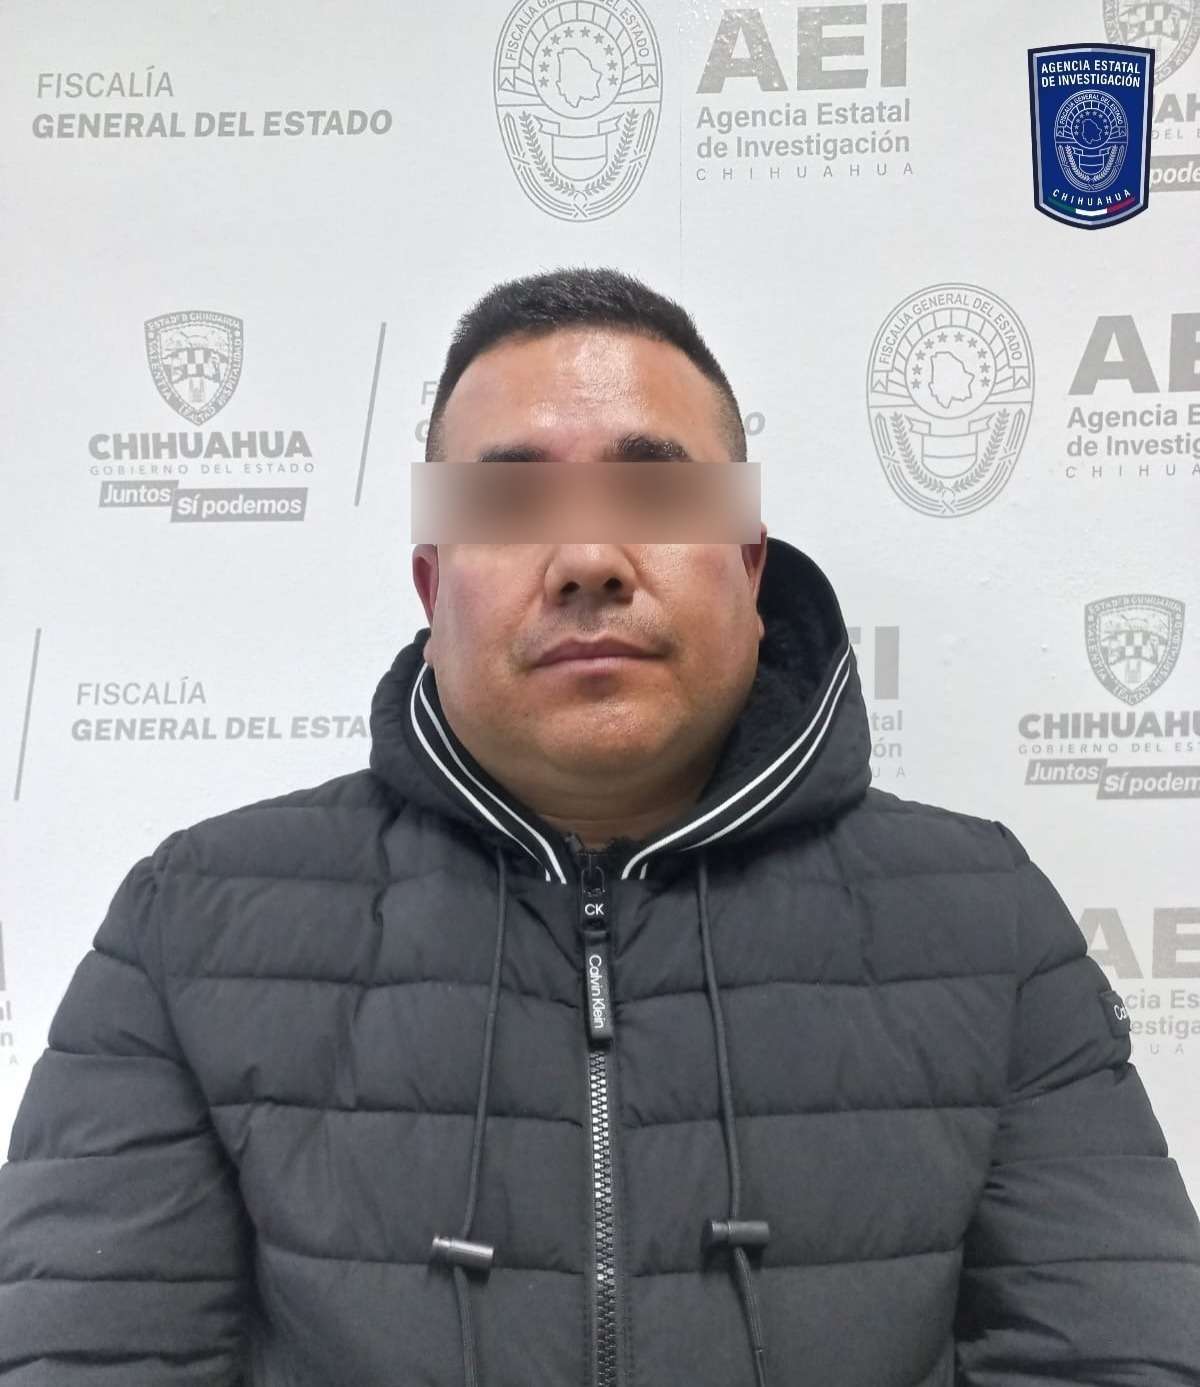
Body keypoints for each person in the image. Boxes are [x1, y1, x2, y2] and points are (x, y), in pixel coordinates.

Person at [1, 266, 1197, 1386]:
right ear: (433, 588)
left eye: (655, 490)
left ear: (748, 565)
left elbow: (1117, 1354)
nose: (585, 556)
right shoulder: (193, 923)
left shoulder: (983, 920)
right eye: (512, 500)